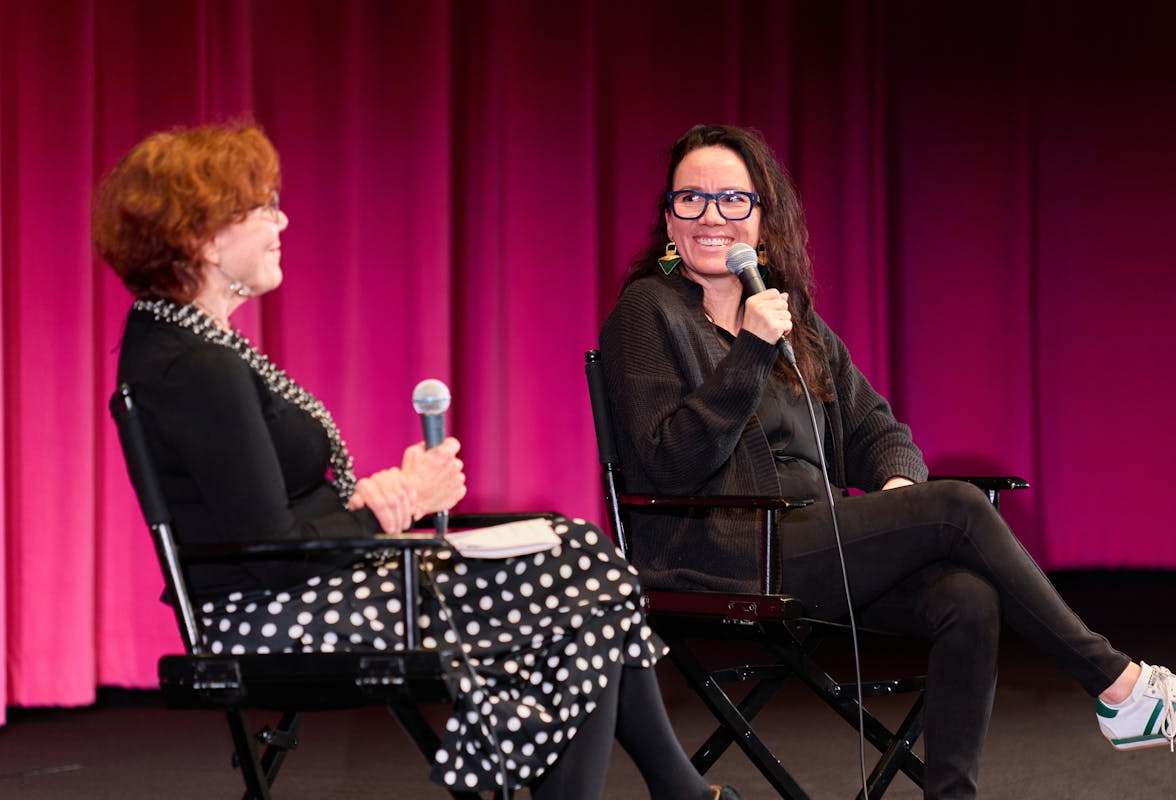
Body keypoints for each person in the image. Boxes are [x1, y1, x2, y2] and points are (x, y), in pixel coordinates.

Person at [93, 122, 741, 800]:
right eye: (263, 207)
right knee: (578, 571)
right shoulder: (195, 364)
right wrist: (392, 501)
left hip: (303, 588)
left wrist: (372, 499)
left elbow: (264, 515)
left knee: (576, 555)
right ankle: (680, 793)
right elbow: (274, 550)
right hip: (274, 615)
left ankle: (677, 792)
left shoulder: (183, 345)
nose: (282, 220)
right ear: (203, 233)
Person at [598, 123, 1176, 800]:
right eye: (690, 200)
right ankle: (1121, 686)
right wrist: (750, 351)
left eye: (732, 199)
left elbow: (879, 431)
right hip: (713, 551)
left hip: (812, 544)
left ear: (762, 214)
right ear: (669, 216)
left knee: (967, 596)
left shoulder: (792, 320)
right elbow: (667, 463)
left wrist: (901, 495)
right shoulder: (648, 310)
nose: (711, 217)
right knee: (958, 507)